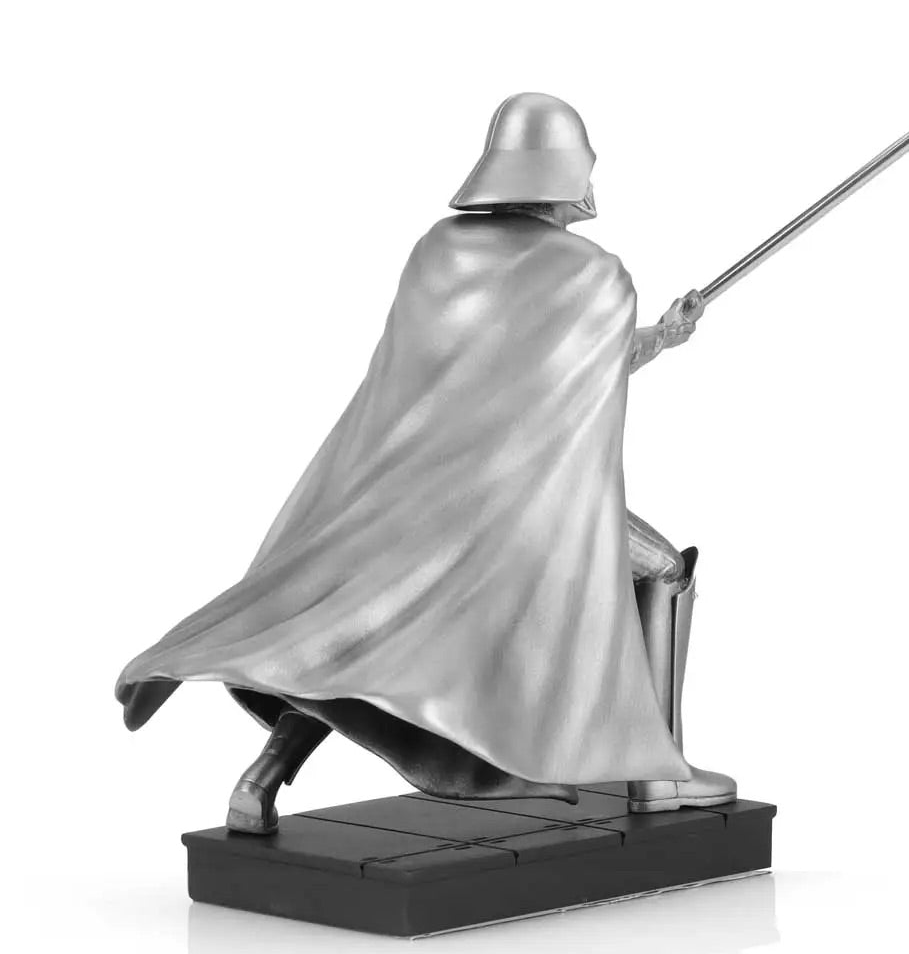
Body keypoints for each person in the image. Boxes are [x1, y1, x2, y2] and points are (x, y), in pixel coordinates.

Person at [116, 92, 736, 833]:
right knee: (663, 570)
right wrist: (653, 336)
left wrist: (663, 334)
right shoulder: (593, 275)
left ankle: (259, 782)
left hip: (404, 500)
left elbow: (535, 371)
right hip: (522, 509)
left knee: (346, 641)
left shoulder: (441, 252)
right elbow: (582, 378)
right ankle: (658, 777)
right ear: (563, 172)